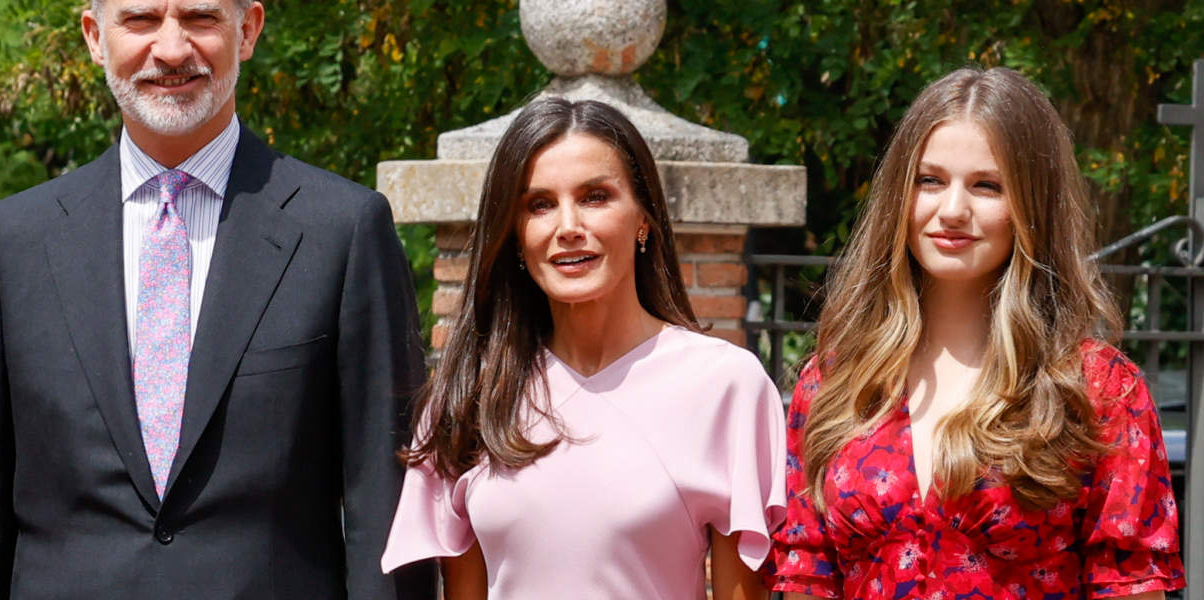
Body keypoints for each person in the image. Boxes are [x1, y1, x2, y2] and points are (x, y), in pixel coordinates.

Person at [0, 0, 432, 599]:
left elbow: (387, 510)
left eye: (200, 17)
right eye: (140, 19)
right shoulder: (13, 243)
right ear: (94, 36)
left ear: (247, 30)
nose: (171, 50)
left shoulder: (342, 232)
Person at [765, 67, 1185, 599]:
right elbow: (808, 580)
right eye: (930, 181)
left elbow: (1129, 585)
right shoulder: (835, 383)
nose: (952, 211)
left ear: (1033, 206)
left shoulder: (1096, 390)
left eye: (987, 186)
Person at [380, 97, 786, 599]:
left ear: (644, 218)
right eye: (539, 204)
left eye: (595, 197)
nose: (568, 227)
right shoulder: (470, 395)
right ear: (515, 234)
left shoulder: (727, 386)